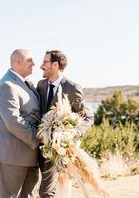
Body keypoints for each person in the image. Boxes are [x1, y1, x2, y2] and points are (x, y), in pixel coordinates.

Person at [37, 50, 94, 198]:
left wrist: (74, 133)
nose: (41, 66)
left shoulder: (72, 88)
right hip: (37, 146)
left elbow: (88, 117)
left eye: (45, 62)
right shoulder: (41, 85)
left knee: (46, 192)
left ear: (55, 65)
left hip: (57, 150)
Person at [0, 49, 41, 198]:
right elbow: (13, 121)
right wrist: (39, 138)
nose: (34, 64)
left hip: (29, 151)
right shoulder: (7, 85)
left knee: (28, 195)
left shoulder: (24, 83)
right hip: (12, 153)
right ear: (18, 62)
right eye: (29, 60)